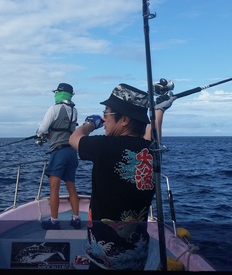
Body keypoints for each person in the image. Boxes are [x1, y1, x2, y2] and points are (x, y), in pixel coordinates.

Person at [69, 82, 175, 270]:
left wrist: (91, 123)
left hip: (104, 260)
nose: (104, 118)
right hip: (137, 256)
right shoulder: (151, 150)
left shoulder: (105, 147)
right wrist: (159, 112)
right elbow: (153, 136)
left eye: (107, 113)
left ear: (124, 120)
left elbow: (74, 139)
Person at [36, 83, 81, 230]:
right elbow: (66, 129)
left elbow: (43, 128)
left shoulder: (54, 108)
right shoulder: (74, 110)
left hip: (59, 152)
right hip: (72, 152)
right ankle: (76, 219)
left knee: (54, 188)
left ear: (59, 93)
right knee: (71, 186)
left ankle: (54, 221)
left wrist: (39, 134)